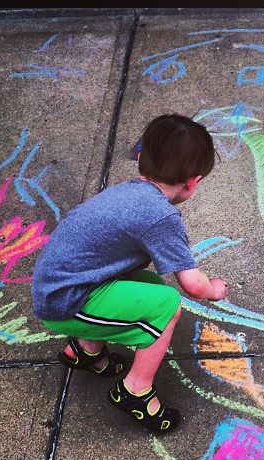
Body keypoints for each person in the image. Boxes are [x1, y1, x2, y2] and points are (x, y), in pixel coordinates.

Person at [32, 114, 228, 434]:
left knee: (149, 285)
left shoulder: (129, 194)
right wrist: (214, 289)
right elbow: (192, 284)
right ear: (193, 182)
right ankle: (136, 391)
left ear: (141, 158)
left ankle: (85, 351)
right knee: (166, 305)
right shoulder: (160, 217)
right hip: (64, 302)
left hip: (59, 284)